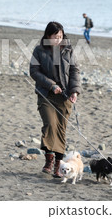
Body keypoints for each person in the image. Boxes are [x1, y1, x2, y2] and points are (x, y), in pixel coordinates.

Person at [30, 21, 82, 178]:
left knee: (60, 128)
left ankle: (59, 163)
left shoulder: (68, 50)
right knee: (50, 124)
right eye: (55, 37)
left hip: (64, 96)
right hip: (46, 94)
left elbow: (75, 71)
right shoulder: (39, 50)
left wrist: (75, 91)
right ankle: (49, 159)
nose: (58, 40)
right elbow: (34, 71)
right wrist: (51, 85)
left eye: (60, 36)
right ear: (47, 36)